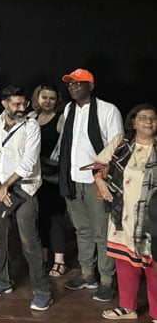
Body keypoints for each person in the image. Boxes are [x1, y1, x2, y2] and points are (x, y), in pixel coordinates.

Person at [0, 85, 52, 310]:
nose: (22, 108)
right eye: (16, 104)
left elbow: (28, 163)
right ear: (4, 104)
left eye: (24, 104)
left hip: (25, 189)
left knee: (29, 241)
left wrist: (5, 187)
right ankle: (3, 281)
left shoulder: (31, 127)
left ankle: (42, 290)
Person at [58, 68, 123, 302]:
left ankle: (106, 279)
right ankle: (87, 275)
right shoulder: (68, 109)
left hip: (98, 181)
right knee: (82, 230)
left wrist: (102, 178)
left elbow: (116, 149)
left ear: (91, 86)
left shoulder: (108, 110)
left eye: (78, 83)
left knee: (102, 232)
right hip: (73, 179)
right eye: (70, 84)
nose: (73, 87)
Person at [94, 104, 157, 321]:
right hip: (122, 215)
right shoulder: (121, 142)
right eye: (143, 118)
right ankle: (127, 307)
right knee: (124, 261)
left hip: (151, 218)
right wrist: (100, 180)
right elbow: (98, 164)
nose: (148, 122)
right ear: (133, 121)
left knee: (153, 264)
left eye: (152, 118)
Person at [27, 84, 68, 276]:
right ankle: (43, 257)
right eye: (44, 97)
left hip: (52, 179)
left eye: (52, 98)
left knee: (56, 220)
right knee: (39, 219)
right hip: (33, 178)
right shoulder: (30, 118)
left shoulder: (60, 119)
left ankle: (59, 260)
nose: (48, 101)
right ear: (38, 98)